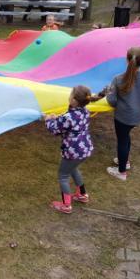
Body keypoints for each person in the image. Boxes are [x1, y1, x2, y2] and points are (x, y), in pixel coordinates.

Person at [106, 47, 140, 181]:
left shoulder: (118, 79)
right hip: (138, 116)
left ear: (127, 60)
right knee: (126, 137)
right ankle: (124, 161)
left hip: (123, 117)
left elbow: (112, 100)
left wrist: (112, 99)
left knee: (123, 140)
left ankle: (121, 172)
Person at [45, 86, 101, 214]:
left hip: (72, 151)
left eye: (70, 94)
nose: (69, 96)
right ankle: (82, 194)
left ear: (74, 100)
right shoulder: (85, 111)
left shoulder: (69, 117)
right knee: (73, 168)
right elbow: (68, 121)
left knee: (63, 175)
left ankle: (66, 205)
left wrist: (48, 120)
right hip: (85, 149)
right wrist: (56, 118)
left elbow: (55, 130)